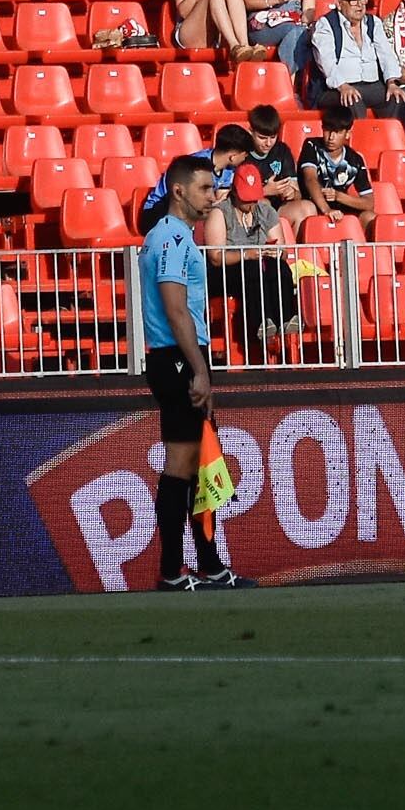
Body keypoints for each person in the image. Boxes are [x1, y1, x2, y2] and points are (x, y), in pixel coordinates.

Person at [136, 153, 243, 590]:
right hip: (177, 357)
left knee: (201, 464)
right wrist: (199, 369)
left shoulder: (172, 236)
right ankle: (171, 569)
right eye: (204, 188)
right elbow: (175, 308)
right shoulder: (173, 239)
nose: (213, 196)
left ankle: (208, 563)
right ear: (178, 191)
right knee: (182, 465)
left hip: (179, 356)